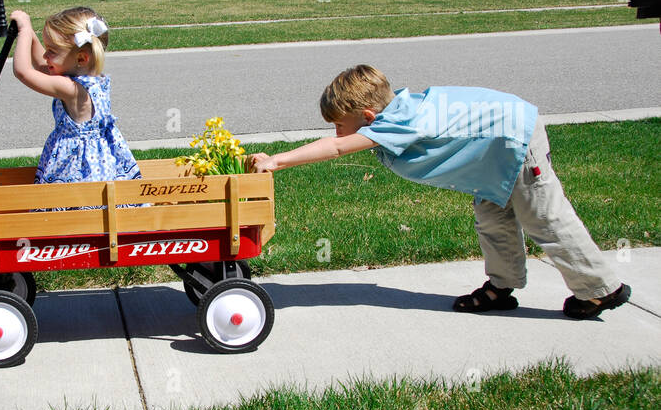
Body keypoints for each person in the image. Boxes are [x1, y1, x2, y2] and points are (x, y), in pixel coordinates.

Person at [248, 63, 631, 321]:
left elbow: (334, 150)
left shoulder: (396, 123)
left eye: (340, 125)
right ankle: (502, 287)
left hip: (514, 139)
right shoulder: (396, 113)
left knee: (544, 218)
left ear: (368, 118)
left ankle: (600, 288)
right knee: (492, 220)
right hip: (490, 156)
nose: (337, 134)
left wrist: (277, 161)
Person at [9, 7, 141, 185]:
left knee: (70, 209)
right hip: (99, 166)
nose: (45, 56)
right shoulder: (92, 80)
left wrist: (24, 30)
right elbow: (42, 65)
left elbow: (23, 72)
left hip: (76, 168)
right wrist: (30, 32)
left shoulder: (71, 89)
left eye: (52, 51)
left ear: (81, 59)